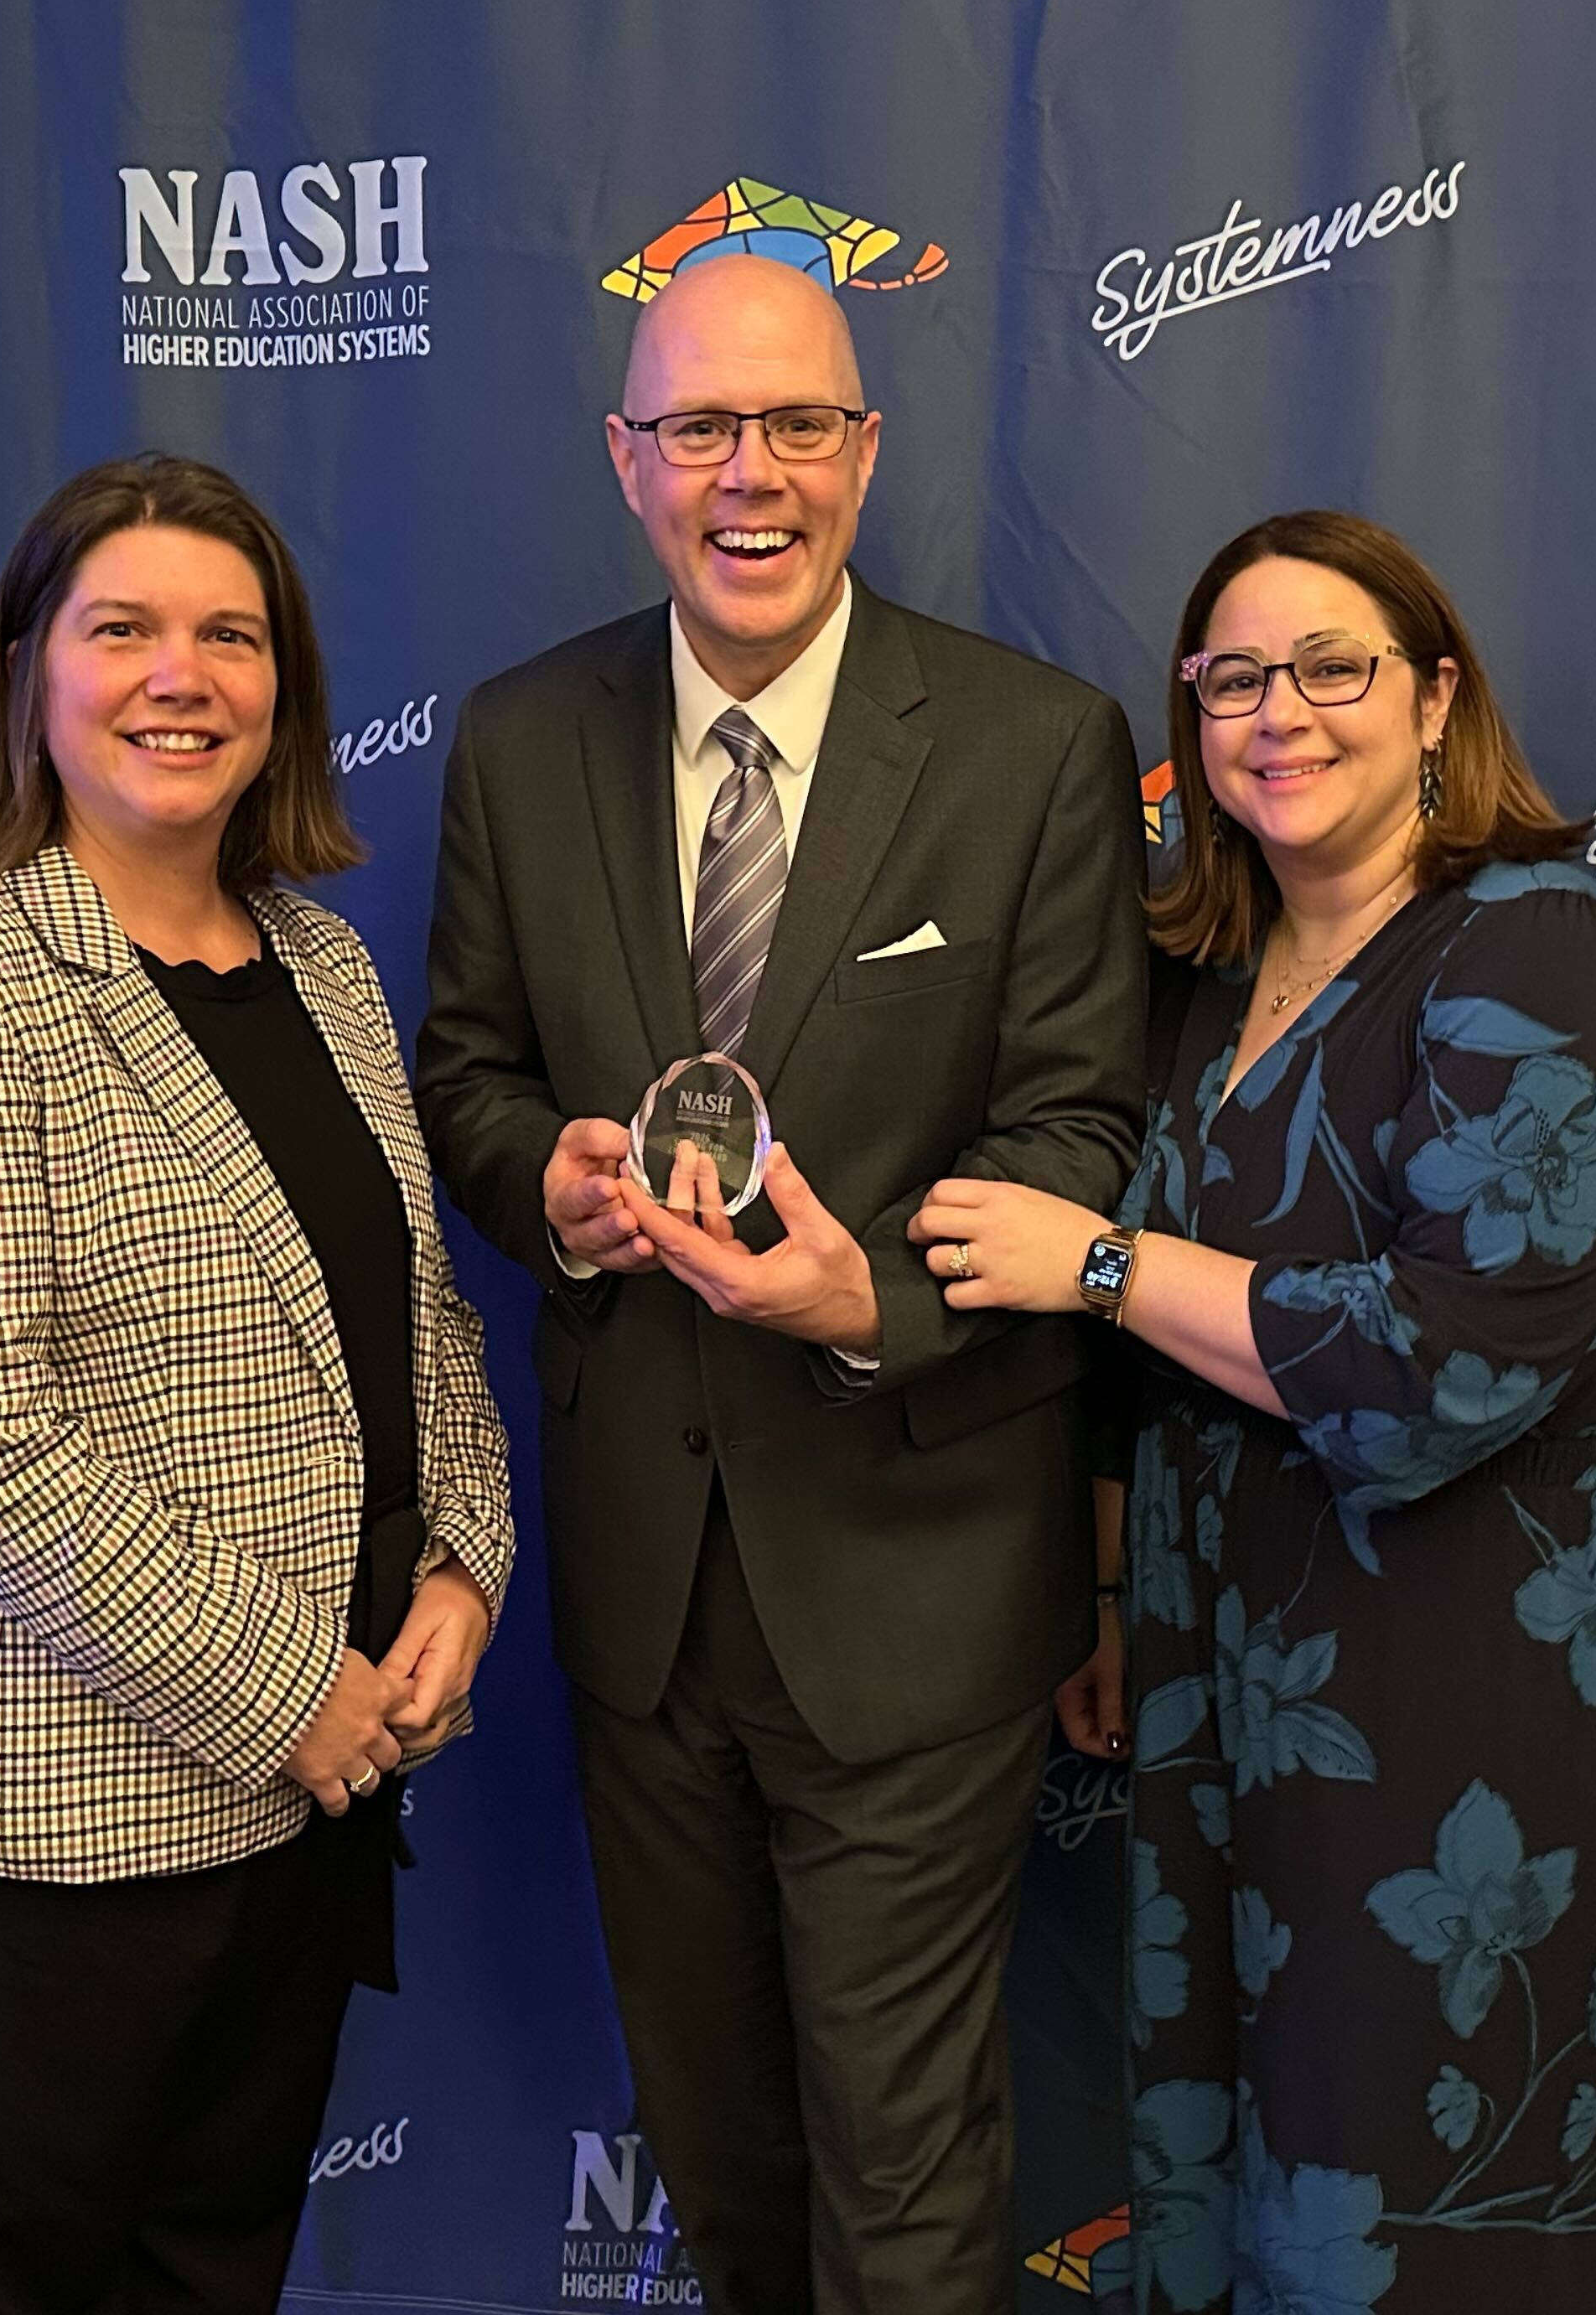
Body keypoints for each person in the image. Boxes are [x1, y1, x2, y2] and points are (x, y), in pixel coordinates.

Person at [413, 252, 1145, 2315]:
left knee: (904, 2192)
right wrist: (545, 1185)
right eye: (702, 430)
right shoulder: (522, 734)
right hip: (644, 1599)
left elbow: (1082, 1134)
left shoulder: (1031, 747)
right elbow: (464, 1069)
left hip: (917, 1572)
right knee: (723, 2162)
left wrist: (866, 1308)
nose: (755, 476)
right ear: (629, 462)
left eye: (800, 426)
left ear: (867, 451)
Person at [912, 510, 1596, 2312]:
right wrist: (1122, 1593)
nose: (1278, 715)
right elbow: (1168, 1373)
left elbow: (1456, 1354)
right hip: (1241, 1683)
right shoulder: (1212, 987)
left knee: (1430, 2208)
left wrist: (1103, 1263)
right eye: (1228, 683)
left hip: (1484, 1698)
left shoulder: (1542, 952)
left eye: (1331, 668)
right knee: (1242, 2196)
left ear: (1437, 698)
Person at [0, 452, 515, 2315]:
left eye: (230, 634)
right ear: (32, 669)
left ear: (283, 689)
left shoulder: (329, 967)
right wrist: (296, 1696)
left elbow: (418, 1318)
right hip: (45, 1822)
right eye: (123, 629)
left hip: (310, 1804)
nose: (178, 675)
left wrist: (461, 1568)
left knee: (218, 2277)